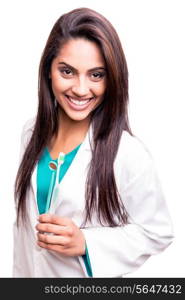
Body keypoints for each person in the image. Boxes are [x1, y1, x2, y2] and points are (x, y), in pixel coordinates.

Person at [13, 7, 174, 278]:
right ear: (48, 71)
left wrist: (86, 243)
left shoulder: (127, 154)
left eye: (96, 75)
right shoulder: (30, 132)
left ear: (111, 80)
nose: (80, 89)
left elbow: (158, 232)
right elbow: (24, 235)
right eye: (67, 71)